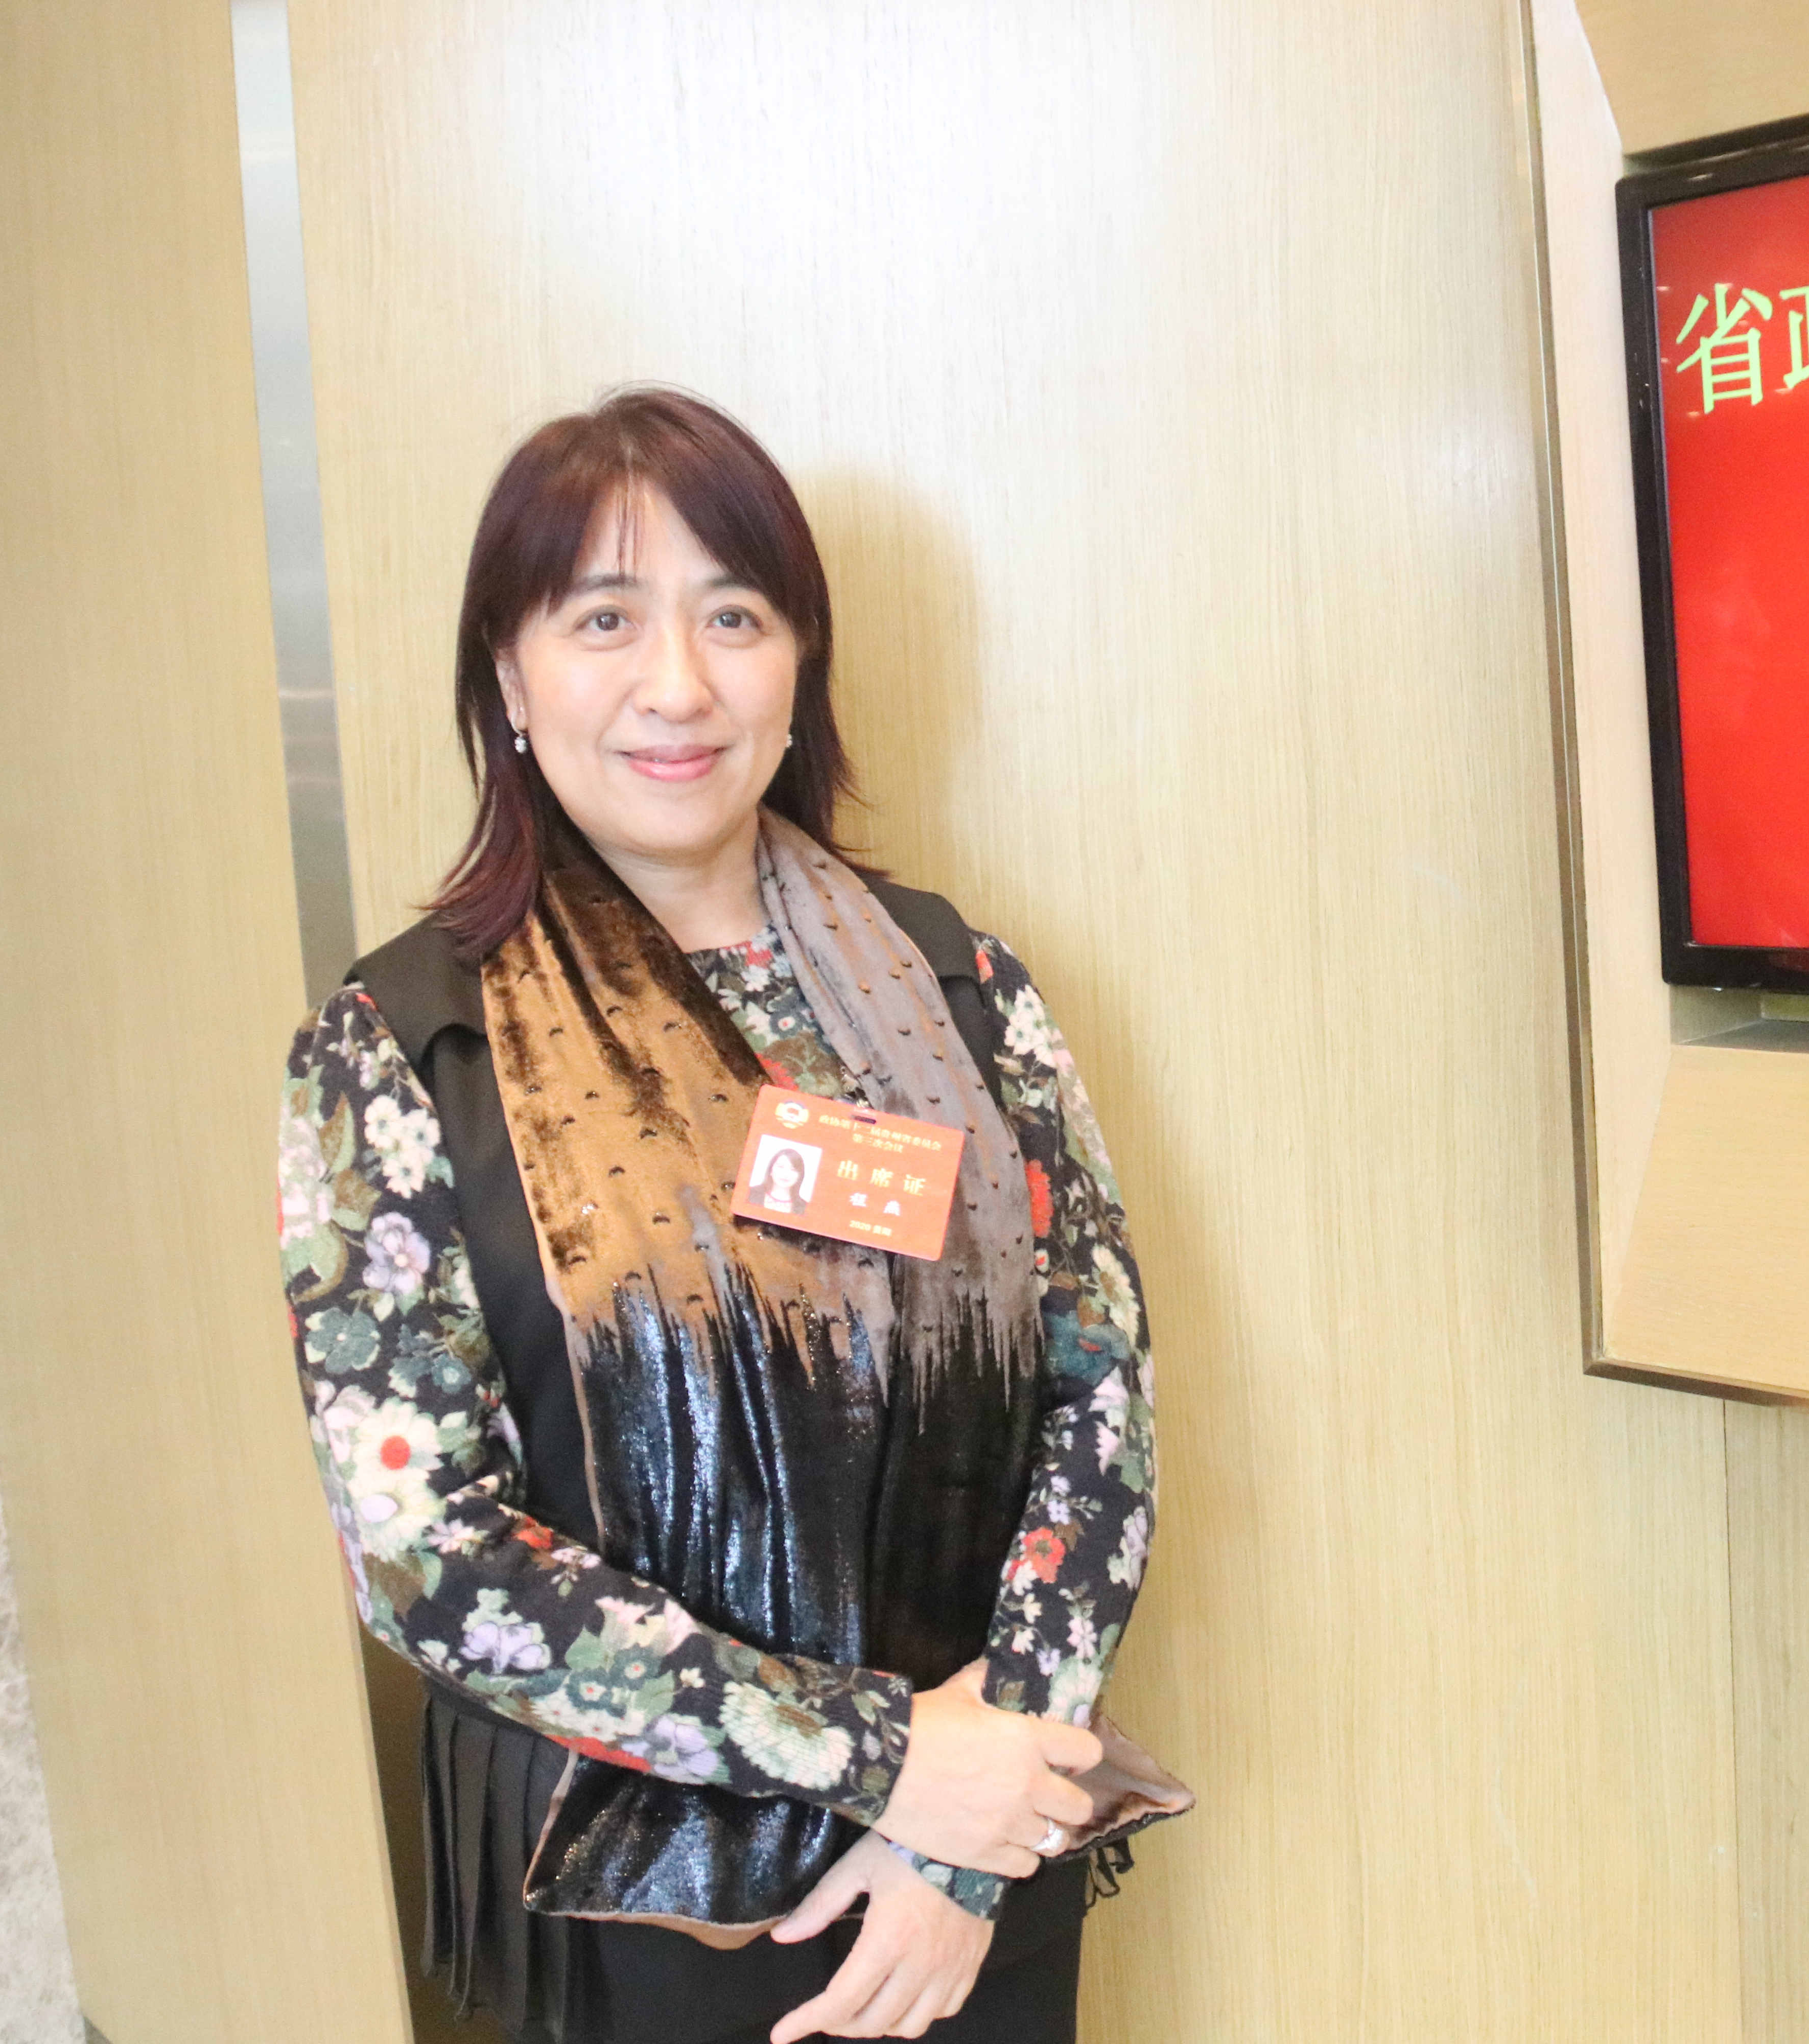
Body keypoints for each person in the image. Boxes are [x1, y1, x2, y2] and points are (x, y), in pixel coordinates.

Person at [277, 387, 1186, 2044]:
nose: (677, 685)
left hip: (989, 1853)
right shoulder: (407, 1046)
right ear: (509, 677)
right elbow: (431, 1558)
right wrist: (890, 1763)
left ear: (798, 666)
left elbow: (1098, 1405)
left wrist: (972, 1820)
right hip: (646, 1894)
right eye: (604, 620)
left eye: (734, 617)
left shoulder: (964, 988)